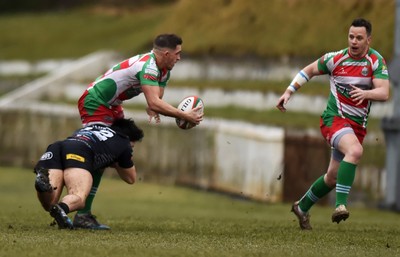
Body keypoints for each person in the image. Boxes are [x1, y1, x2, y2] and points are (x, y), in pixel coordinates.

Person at [74, 33, 204, 229]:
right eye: (177, 53)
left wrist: (155, 110)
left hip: (112, 105)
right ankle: (78, 207)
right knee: (100, 155)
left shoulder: (164, 70)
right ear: (167, 53)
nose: (179, 58)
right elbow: (154, 101)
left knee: (115, 151)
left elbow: (154, 101)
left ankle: (82, 208)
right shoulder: (149, 66)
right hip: (95, 102)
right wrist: (184, 116)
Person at [276, 18, 389, 230]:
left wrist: (366, 93)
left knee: (333, 177)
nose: (354, 41)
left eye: (359, 38)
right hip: (333, 120)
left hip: (356, 127)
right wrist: (289, 91)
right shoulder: (335, 59)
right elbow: (308, 71)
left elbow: (384, 92)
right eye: (351, 36)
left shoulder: (375, 61)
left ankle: (302, 206)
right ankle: (340, 206)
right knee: (355, 151)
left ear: (369, 39)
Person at [33, 118, 144, 229]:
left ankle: (43, 183)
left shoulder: (89, 128)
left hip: (57, 147)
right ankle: (62, 209)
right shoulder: (124, 141)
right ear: (129, 138)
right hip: (79, 151)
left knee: (50, 203)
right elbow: (130, 178)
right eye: (132, 147)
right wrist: (117, 161)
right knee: (79, 197)